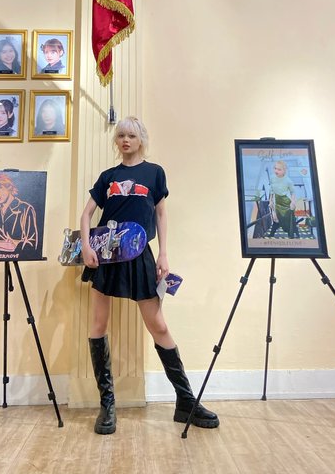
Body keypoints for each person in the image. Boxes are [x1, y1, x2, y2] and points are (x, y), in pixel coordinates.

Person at [80, 116, 219, 435]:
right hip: (106, 255)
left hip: (141, 253)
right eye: (120, 136)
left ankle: (185, 402)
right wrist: (86, 246)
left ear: (141, 139)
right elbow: (87, 214)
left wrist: (164, 254)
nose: (125, 140)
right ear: (116, 141)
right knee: (98, 325)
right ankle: (107, 404)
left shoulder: (154, 173)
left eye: (131, 135)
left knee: (159, 326)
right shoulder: (108, 177)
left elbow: (161, 214)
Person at [268, 159, 299, 239]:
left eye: (279, 169)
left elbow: (293, 192)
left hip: (286, 203)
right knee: (276, 219)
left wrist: (293, 202)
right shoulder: (272, 178)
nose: (276, 171)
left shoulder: (288, 181)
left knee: (289, 220)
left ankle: (292, 234)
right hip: (277, 202)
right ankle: (271, 235)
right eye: (275, 168)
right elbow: (271, 190)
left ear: (284, 171)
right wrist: (270, 201)